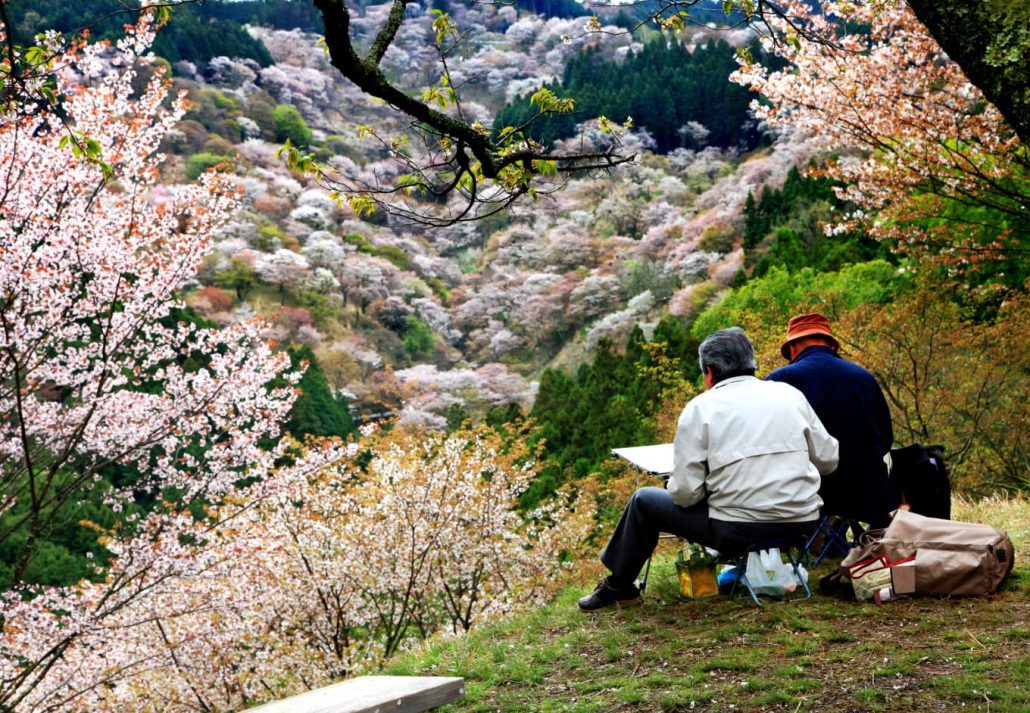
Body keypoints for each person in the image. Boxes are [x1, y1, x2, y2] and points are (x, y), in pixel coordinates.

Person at [578, 327, 839, 611]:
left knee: (644, 501)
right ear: (752, 364)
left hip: (737, 531)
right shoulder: (790, 396)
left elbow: (686, 495)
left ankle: (620, 587)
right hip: (802, 521)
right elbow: (828, 460)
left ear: (710, 371)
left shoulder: (701, 408)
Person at [765, 313, 894, 529]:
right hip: (867, 491)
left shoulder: (779, 381)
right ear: (831, 345)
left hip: (808, 493)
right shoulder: (863, 377)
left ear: (793, 348)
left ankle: (825, 534)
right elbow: (886, 438)